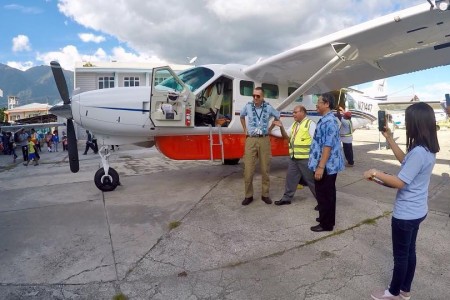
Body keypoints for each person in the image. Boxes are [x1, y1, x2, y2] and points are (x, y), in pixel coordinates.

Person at [365, 102, 439, 300]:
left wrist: (375, 172)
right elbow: (405, 162)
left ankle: (393, 292)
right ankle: (405, 290)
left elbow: (399, 182)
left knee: (401, 256)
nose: (406, 124)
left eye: (407, 121)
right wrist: (389, 139)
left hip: (406, 214)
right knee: (409, 252)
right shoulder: (427, 149)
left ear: (416, 123)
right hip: (418, 211)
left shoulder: (419, 152)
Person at [308, 93, 344, 232]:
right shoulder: (327, 119)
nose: (316, 104)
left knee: (324, 194)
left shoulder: (329, 122)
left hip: (327, 166)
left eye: (319, 102)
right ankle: (326, 218)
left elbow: (327, 146)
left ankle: (326, 224)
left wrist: (320, 167)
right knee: (328, 194)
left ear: (327, 104)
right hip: (328, 165)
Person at [240, 87, 280, 205]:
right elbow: (242, 116)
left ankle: (265, 194)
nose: (255, 98)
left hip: (264, 139)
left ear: (262, 97)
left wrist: (270, 128)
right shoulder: (247, 106)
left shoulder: (268, 107)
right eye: (254, 96)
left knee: (265, 169)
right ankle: (248, 195)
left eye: (258, 96)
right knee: (248, 170)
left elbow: (277, 116)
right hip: (251, 140)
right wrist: (244, 129)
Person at [272, 105, 317, 206]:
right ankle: (287, 198)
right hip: (294, 158)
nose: (293, 114)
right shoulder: (295, 125)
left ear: (303, 112)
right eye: (293, 112)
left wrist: (315, 160)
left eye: (295, 112)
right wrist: (281, 127)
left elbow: (316, 142)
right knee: (290, 178)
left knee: (311, 181)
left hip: (305, 159)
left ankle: (322, 202)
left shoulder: (310, 124)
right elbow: (286, 136)